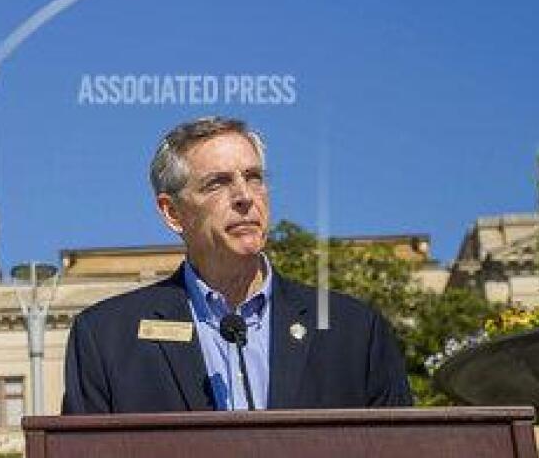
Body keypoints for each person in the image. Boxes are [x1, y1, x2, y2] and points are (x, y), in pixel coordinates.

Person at [62, 117, 412, 414]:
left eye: (254, 177)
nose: (245, 196)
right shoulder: (106, 339)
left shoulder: (353, 331)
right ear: (172, 212)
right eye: (218, 183)